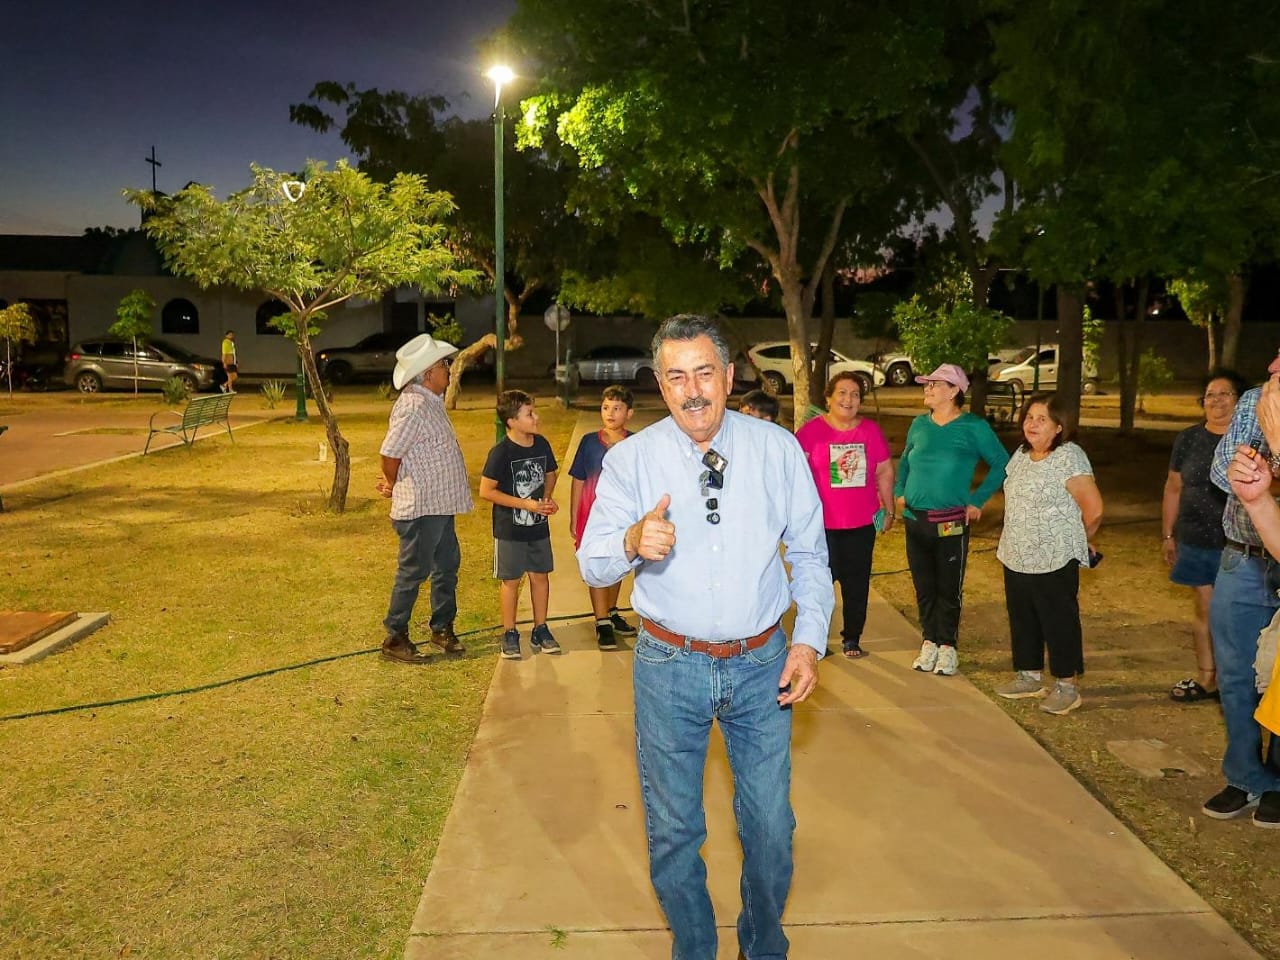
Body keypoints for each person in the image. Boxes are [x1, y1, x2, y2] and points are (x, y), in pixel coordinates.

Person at [578, 314, 833, 960]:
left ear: (728, 375)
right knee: (673, 832)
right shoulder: (632, 460)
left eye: (703, 373)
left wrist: (807, 642)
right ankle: (694, 948)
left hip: (761, 666)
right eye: (674, 377)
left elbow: (809, 554)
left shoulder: (776, 451)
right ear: (659, 387)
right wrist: (633, 540)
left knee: (771, 829)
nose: (692, 391)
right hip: (669, 666)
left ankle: (761, 943)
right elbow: (591, 560)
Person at [1203, 349, 1280, 825]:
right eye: (1272, 370)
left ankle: (1278, 780)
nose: (1273, 376)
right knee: (1235, 677)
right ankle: (1245, 776)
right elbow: (1219, 471)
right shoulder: (1253, 403)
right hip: (1245, 558)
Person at [894, 363, 1009, 677]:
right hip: (915, 520)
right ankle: (929, 641)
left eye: (935, 384)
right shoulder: (919, 424)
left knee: (948, 588)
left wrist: (977, 500)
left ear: (954, 390)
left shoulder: (973, 427)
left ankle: (947, 646)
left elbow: (1002, 463)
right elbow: (904, 462)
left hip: (951, 523)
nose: (927, 388)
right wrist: (899, 491)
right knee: (924, 587)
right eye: (927, 384)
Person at [994, 393, 1103, 714]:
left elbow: (1093, 509)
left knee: (1058, 621)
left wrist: (1079, 539)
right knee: (1023, 616)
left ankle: (1066, 686)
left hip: (1055, 556)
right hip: (1016, 553)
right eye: (1029, 417)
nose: (1032, 424)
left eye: (1042, 419)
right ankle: (1028, 675)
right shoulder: (1020, 455)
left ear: (1058, 426)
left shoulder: (1070, 456)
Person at [376, 334, 471, 664]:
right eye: (445, 365)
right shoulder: (413, 406)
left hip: (440, 507)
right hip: (420, 510)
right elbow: (390, 454)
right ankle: (395, 636)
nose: (449, 370)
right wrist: (393, 482)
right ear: (428, 372)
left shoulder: (431, 402)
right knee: (413, 572)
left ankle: (442, 627)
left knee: (447, 567)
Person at [795, 371, 895, 658]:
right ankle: (816, 640)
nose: (848, 399)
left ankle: (852, 638)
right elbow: (794, 477)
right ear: (828, 397)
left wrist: (888, 509)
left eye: (854, 394)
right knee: (818, 585)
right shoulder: (810, 433)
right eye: (842, 393)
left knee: (856, 584)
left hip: (860, 525)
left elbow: (884, 470)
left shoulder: (870, 432)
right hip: (820, 527)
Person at [1162, 369, 1246, 703]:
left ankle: (1236, 681)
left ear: (1239, 401)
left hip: (1238, 541)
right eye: (1210, 394)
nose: (1217, 401)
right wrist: (1168, 534)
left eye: (1225, 394)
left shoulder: (1248, 440)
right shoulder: (1188, 439)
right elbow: (1173, 487)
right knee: (1205, 609)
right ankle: (1207, 678)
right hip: (1195, 537)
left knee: (1232, 612)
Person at [480, 390, 560, 660]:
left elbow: (550, 472)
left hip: (537, 527)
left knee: (540, 575)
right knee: (511, 580)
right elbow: (486, 490)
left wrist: (546, 499)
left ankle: (541, 627)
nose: (536, 417)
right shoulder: (501, 452)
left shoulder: (541, 445)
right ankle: (510, 632)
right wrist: (524, 504)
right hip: (510, 529)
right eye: (529, 414)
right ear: (512, 422)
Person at [568, 385, 638, 650]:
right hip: (591, 515)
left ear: (629, 413)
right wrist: (574, 517)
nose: (610, 413)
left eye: (618, 408)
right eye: (606, 407)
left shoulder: (635, 443)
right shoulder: (589, 442)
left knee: (618, 558)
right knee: (596, 561)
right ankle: (601, 622)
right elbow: (578, 479)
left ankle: (610, 611)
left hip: (622, 516)